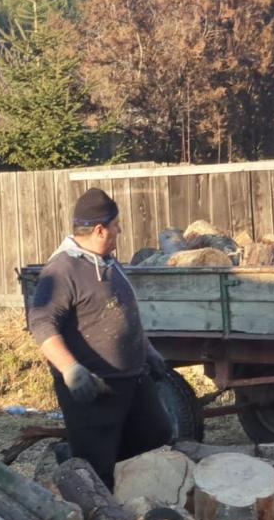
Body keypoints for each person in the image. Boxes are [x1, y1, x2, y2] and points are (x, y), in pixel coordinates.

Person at [28, 187, 174, 489]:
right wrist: (70, 369)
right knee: (98, 466)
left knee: (156, 436)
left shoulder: (109, 262)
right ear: (99, 230)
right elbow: (41, 323)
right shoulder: (62, 270)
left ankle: (134, 501)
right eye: (116, 225)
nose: (120, 231)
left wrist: (148, 351)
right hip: (96, 388)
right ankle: (97, 507)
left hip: (133, 380)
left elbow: (124, 314)